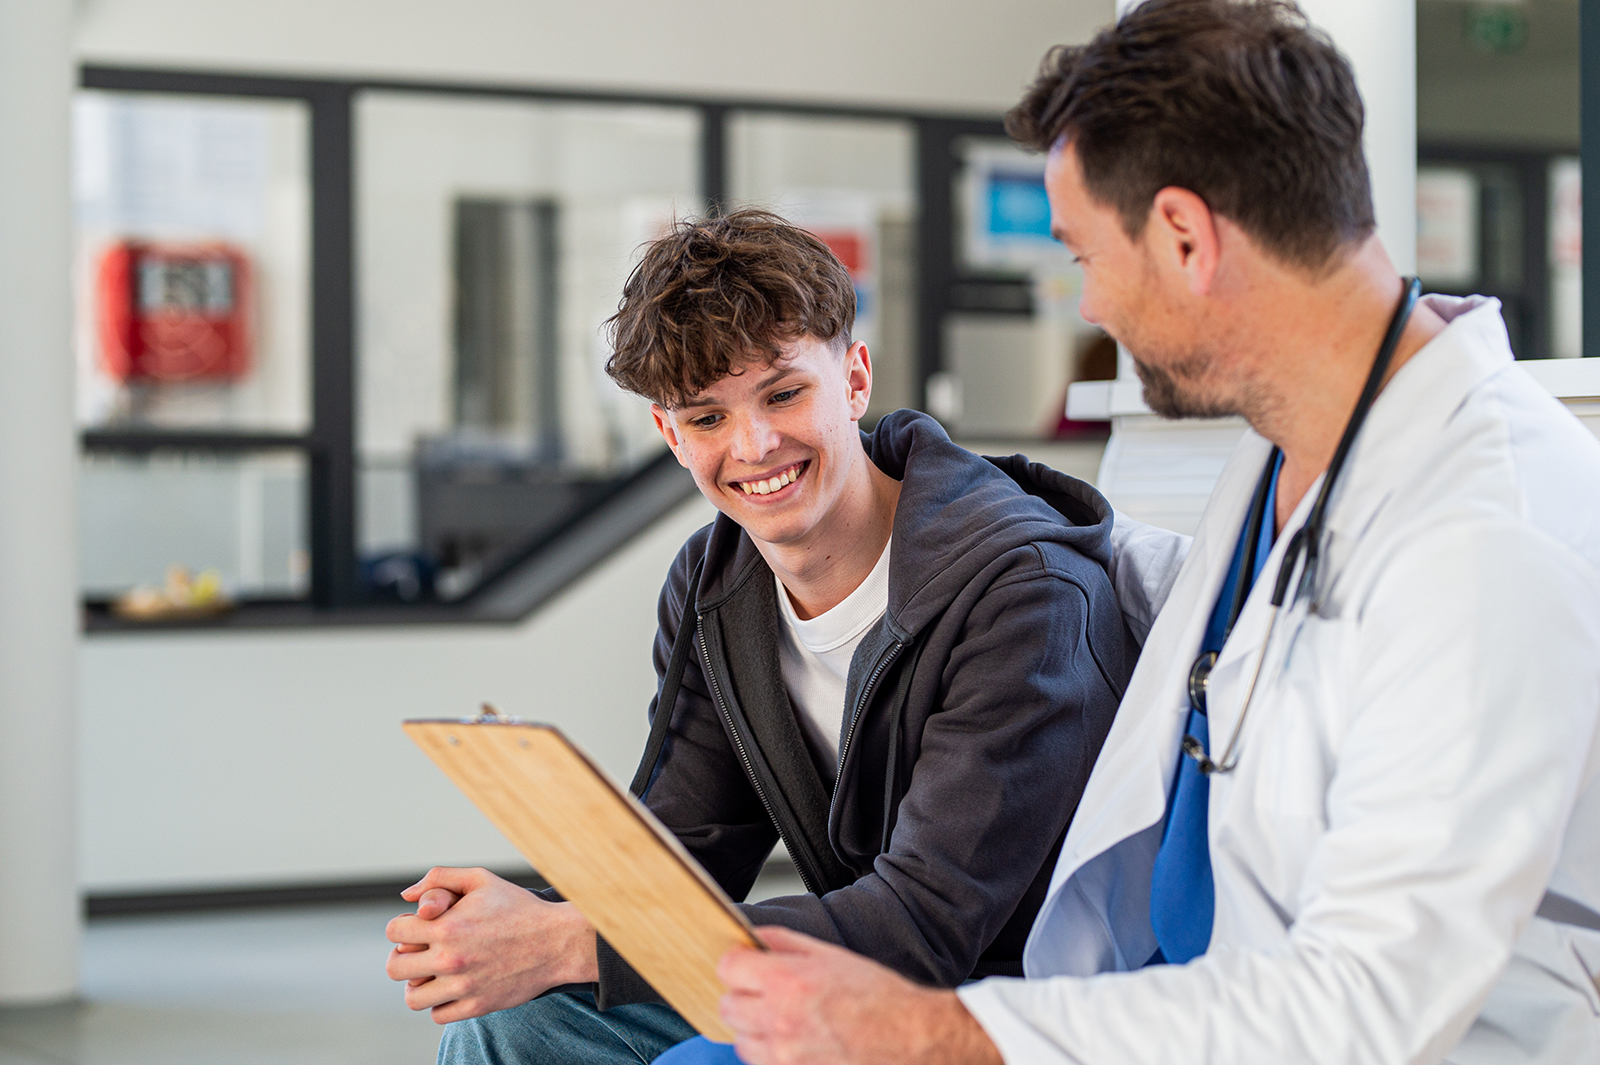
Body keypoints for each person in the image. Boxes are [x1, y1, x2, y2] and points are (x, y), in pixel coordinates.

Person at [702, 3, 1600, 1064]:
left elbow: (1364, 1006)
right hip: (1164, 1006)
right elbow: (1188, 630)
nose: (1089, 309)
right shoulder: (1292, 451)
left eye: (1083, 256)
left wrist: (935, 1031)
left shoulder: (1487, 530)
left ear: (1183, 237)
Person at [383, 209, 1141, 1063]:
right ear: (671, 435)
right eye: (706, 418)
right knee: (511, 1019)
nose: (753, 445)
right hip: (842, 979)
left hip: (1003, 1009)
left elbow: (924, 924)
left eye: (784, 393)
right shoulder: (716, 587)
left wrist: (568, 943)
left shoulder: (1023, 592)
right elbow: (691, 854)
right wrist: (522, 923)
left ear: (854, 380)